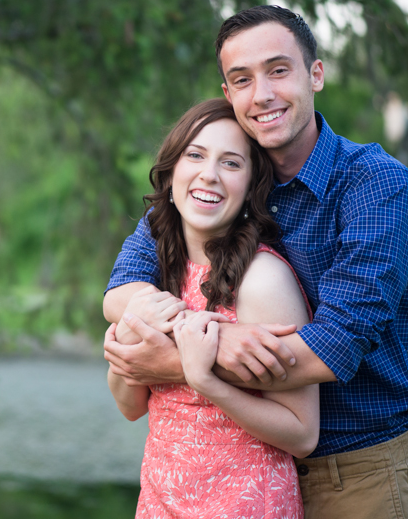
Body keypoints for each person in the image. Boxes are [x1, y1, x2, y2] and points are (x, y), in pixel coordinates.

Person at [103, 5, 408, 519]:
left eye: (278, 70)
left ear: (315, 74)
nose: (263, 94)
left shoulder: (376, 187)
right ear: (229, 93)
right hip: (240, 469)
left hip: (358, 473)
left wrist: (176, 362)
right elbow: (122, 289)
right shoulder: (222, 196)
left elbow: (329, 351)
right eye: (242, 79)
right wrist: (211, 332)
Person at [107, 98, 318, 518]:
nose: (210, 175)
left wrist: (207, 381)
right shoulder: (157, 275)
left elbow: (302, 433)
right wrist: (133, 337)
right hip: (161, 499)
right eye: (196, 155)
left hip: (245, 503)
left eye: (231, 164)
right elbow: (130, 407)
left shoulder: (262, 280)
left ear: (251, 187)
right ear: (171, 174)